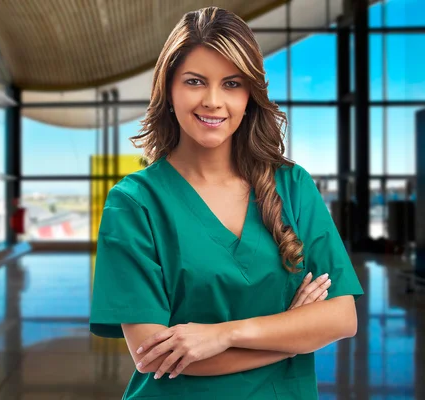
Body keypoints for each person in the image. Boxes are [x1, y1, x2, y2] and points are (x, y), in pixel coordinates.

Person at [89, 6, 363, 400]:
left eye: (232, 84)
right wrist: (293, 331)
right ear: (169, 89)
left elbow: (341, 317)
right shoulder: (134, 203)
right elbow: (153, 356)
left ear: (251, 94)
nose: (213, 101)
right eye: (195, 81)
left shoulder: (294, 186)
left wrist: (223, 335)